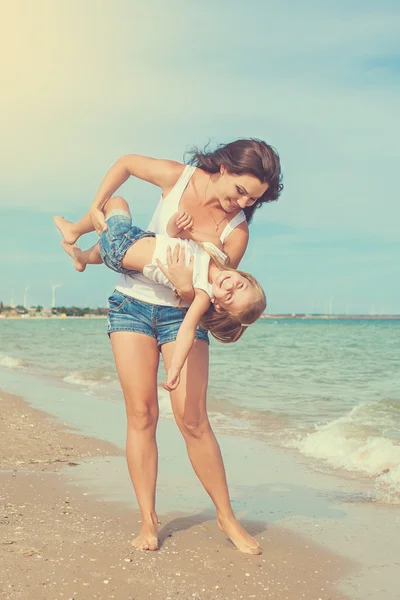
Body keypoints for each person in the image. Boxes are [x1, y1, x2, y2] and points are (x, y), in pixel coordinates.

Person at [55, 139, 283, 554]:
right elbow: (124, 161)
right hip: (132, 306)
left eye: (254, 199)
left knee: (193, 420)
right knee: (142, 413)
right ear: (224, 169)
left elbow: (213, 293)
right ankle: (148, 520)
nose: (243, 203)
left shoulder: (237, 232)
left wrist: (182, 287)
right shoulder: (178, 179)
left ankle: (227, 518)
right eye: (240, 191)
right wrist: (96, 206)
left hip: (183, 317)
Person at [59, 198, 266, 390]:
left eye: (229, 297)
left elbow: (187, 331)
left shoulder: (202, 293)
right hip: (141, 243)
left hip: (120, 249)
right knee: (102, 248)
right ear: (246, 277)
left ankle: (73, 231)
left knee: (115, 202)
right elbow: (174, 233)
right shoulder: (216, 247)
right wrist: (177, 223)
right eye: (240, 286)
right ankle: (81, 258)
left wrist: (175, 369)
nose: (230, 287)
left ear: (219, 305)